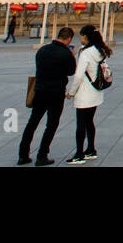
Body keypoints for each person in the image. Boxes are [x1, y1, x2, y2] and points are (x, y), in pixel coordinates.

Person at [18, 27, 76, 166]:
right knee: (51, 125)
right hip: (56, 93)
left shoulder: (42, 50)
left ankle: (23, 155)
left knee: (32, 123)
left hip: (40, 91)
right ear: (69, 39)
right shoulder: (65, 53)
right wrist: (72, 56)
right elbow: (71, 71)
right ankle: (42, 155)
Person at [64, 24, 111, 164]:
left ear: (85, 37)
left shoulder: (85, 53)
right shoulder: (99, 50)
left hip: (84, 93)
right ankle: (91, 149)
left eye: (81, 36)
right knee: (89, 122)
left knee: (81, 125)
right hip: (95, 91)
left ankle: (79, 154)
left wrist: (71, 92)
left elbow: (78, 75)